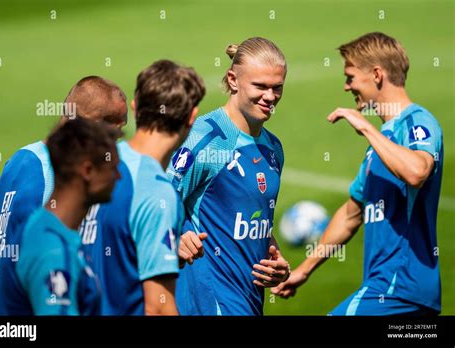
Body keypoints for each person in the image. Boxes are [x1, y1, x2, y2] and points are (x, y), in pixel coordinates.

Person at [273, 32, 443, 316]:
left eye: (350, 77)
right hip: (390, 289)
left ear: (377, 74)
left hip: (399, 285)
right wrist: (304, 270)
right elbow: (352, 214)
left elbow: (417, 172)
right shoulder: (381, 143)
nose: (346, 86)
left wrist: (365, 127)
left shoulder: (417, 120)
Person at [167, 37, 291, 315]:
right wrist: (179, 234)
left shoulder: (273, 149)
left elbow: (253, 220)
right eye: (260, 86)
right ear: (233, 80)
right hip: (209, 301)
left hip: (248, 302)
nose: (270, 96)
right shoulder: (205, 138)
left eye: (277, 87)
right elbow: (157, 199)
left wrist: (275, 258)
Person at [0, 76, 127, 311]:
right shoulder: (54, 179)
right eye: (112, 137)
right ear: (88, 130)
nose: (116, 153)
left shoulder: (18, 160)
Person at [81, 60, 206, 315]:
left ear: (135, 107)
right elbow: (159, 308)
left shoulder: (93, 167)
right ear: (192, 117)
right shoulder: (156, 190)